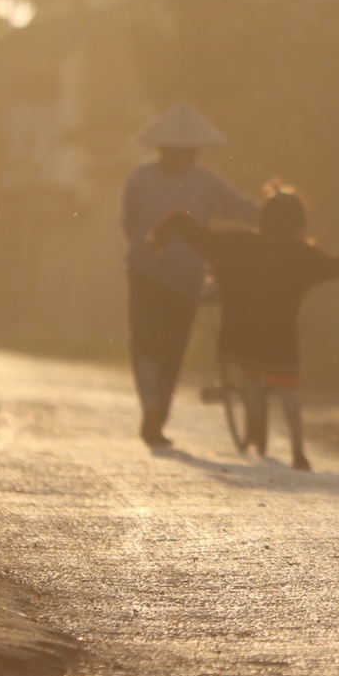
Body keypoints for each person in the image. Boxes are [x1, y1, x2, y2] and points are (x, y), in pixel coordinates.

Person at [149, 183, 339, 471]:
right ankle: (298, 451)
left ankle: (255, 410)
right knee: (288, 387)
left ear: (264, 218)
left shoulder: (235, 244)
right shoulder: (304, 257)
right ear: (300, 222)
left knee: (249, 373)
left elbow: (190, 230)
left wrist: (161, 233)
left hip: (240, 334)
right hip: (279, 339)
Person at [122, 103, 259, 448]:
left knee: (144, 344)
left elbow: (128, 224)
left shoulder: (139, 177)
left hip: (144, 269)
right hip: (187, 277)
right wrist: (277, 215)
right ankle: (160, 417)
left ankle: (150, 406)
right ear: (196, 151)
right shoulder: (206, 181)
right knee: (173, 348)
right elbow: (242, 210)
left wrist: (146, 246)